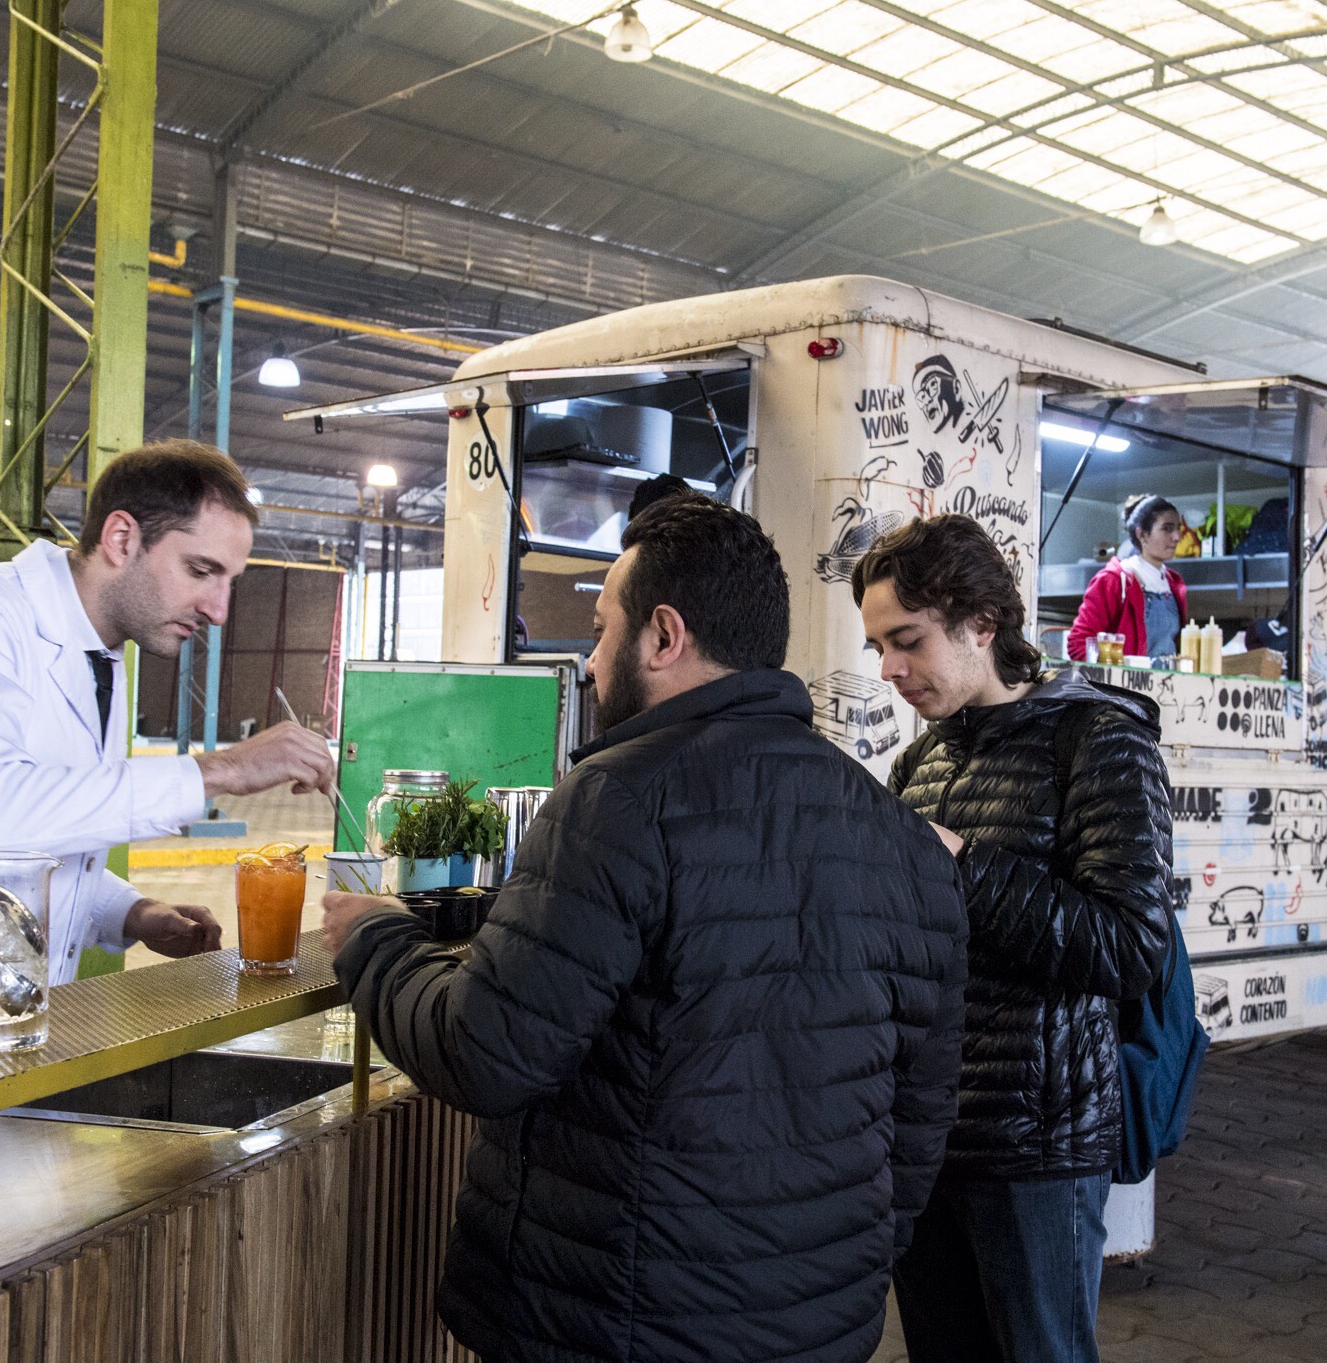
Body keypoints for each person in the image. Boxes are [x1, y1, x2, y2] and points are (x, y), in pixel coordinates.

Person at [320, 495, 968, 1363]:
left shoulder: (620, 797)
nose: (589, 663)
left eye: (599, 630)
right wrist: (826, 1274)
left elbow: (488, 1049)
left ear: (663, 637)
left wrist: (374, 939)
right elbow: (921, 1119)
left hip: (615, 1322)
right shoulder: (901, 835)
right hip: (819, 1320)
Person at [0, 441, 337, 1034]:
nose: (219, 609)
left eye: (229, 580)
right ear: (122, 538)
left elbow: (44, 831)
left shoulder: (101, 655)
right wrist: (219, 770)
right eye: (200, 570)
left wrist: (130, 912)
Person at [854, 513, 1173, 1363]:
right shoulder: (915, 765)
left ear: (981, 624)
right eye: (879, 646)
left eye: (908, 640)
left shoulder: (1098, 740)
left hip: (1037, 1151)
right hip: (922, 1140)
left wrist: (965, 864)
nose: (890, 669)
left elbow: (1133, 946)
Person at [1065, 493, 1188, 661]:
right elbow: (1079, 643)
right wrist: (1112, 675)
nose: (1177, 537)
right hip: (1127, 685)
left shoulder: (1173, 584)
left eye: (1177, 528)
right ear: (1142, 534)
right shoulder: (1113, 581)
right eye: (1167, 528)